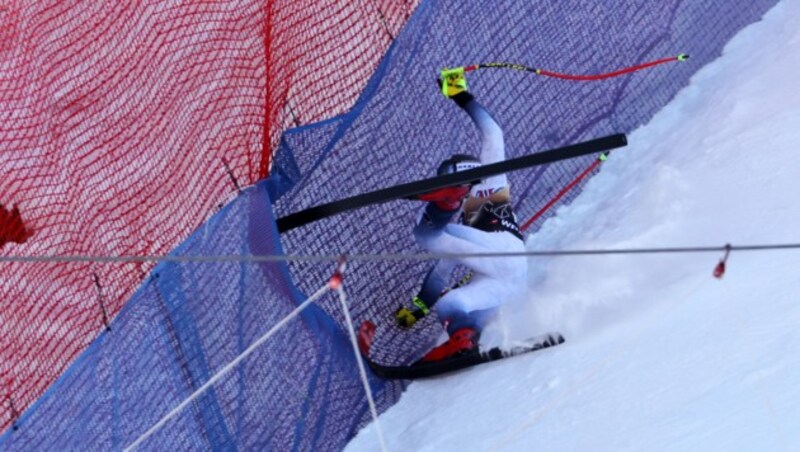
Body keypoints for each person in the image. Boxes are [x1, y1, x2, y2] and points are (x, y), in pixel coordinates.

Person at [395, 67, 527, 363]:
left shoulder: (490, 184)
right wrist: (419, 308)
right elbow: (441, 272)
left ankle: (444, 203)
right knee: (452, 304)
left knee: (428, 234)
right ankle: (463, 340)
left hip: (504, 250)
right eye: (449, 188)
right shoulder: (466, 232)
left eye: (455, 187)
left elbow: (493, 133)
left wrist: (459, 93)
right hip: (509, 285)